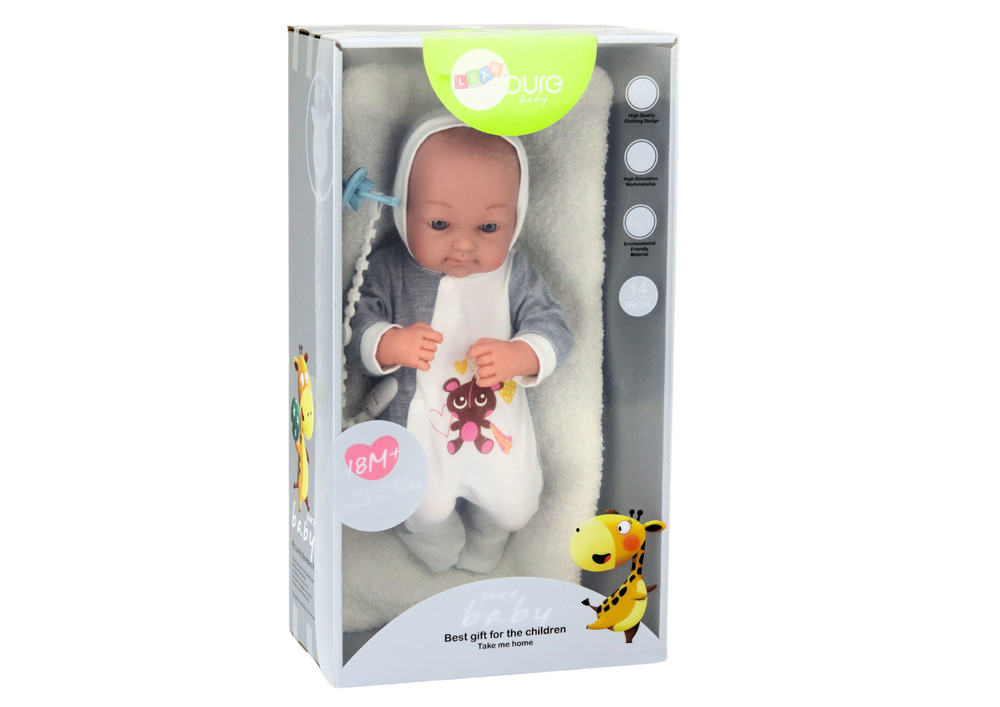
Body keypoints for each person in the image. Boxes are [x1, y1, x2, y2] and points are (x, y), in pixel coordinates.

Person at [347, 112, 572, 573]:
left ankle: (488, 542)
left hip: (496, 423)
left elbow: (554, 326)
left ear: (516, 218)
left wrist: (522, 354)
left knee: (515, 505)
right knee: (423, 506)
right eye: (439, 224)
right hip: (421, 423)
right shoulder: (391, 267)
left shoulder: (513, 273)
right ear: (404, 209)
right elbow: (357, 320)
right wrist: (388, 343)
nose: (464, 246)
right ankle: (437, 547)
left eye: (488, 228)